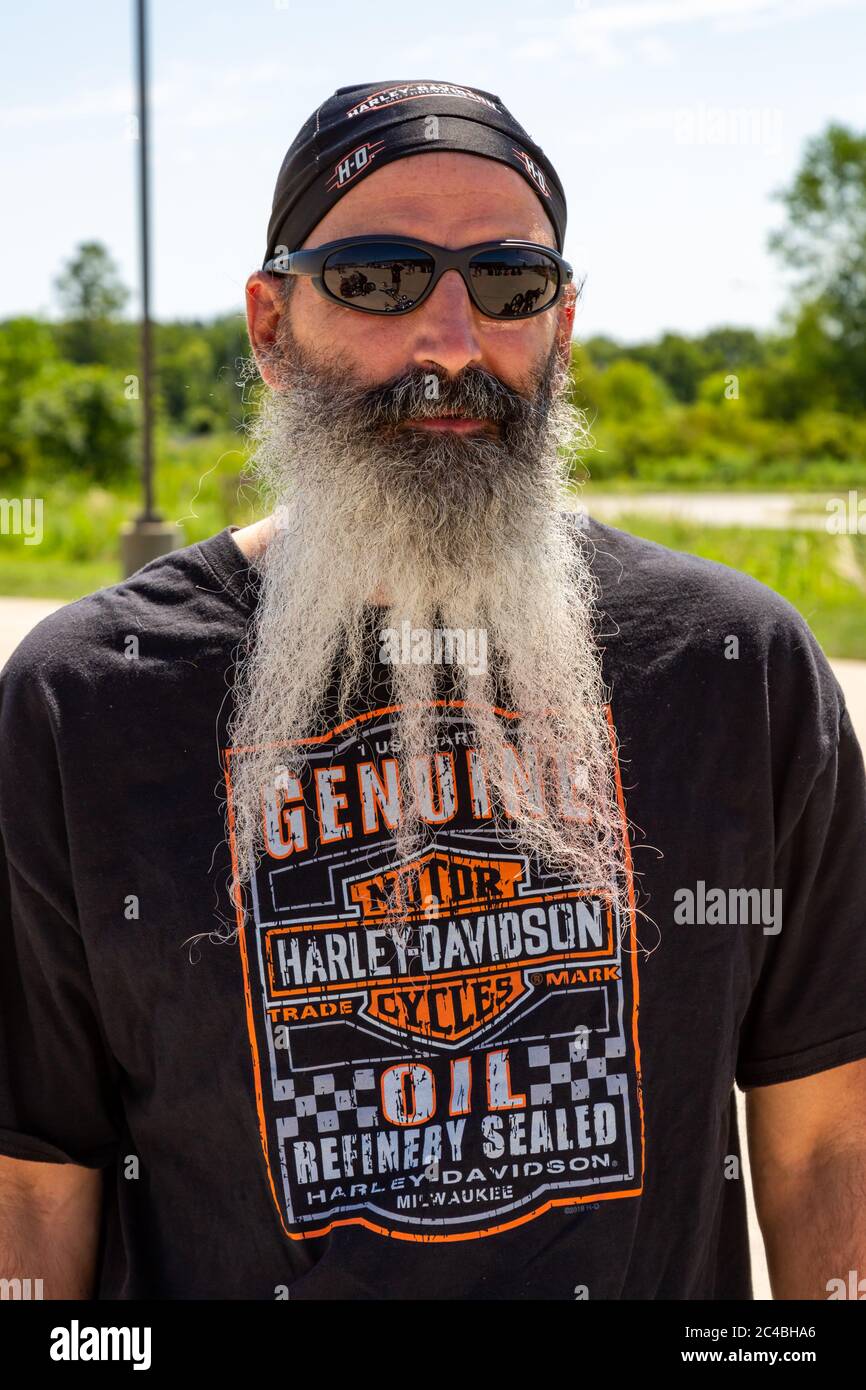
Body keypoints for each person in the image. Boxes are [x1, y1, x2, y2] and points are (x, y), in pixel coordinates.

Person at [1, 78, 865, 1302]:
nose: (450, 343)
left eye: (508, 285)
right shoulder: (81, 703)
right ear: (268, 323)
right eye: (376, 279)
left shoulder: (736, 670)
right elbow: (31, 1181)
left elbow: (828, 1131)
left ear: (559, 327)